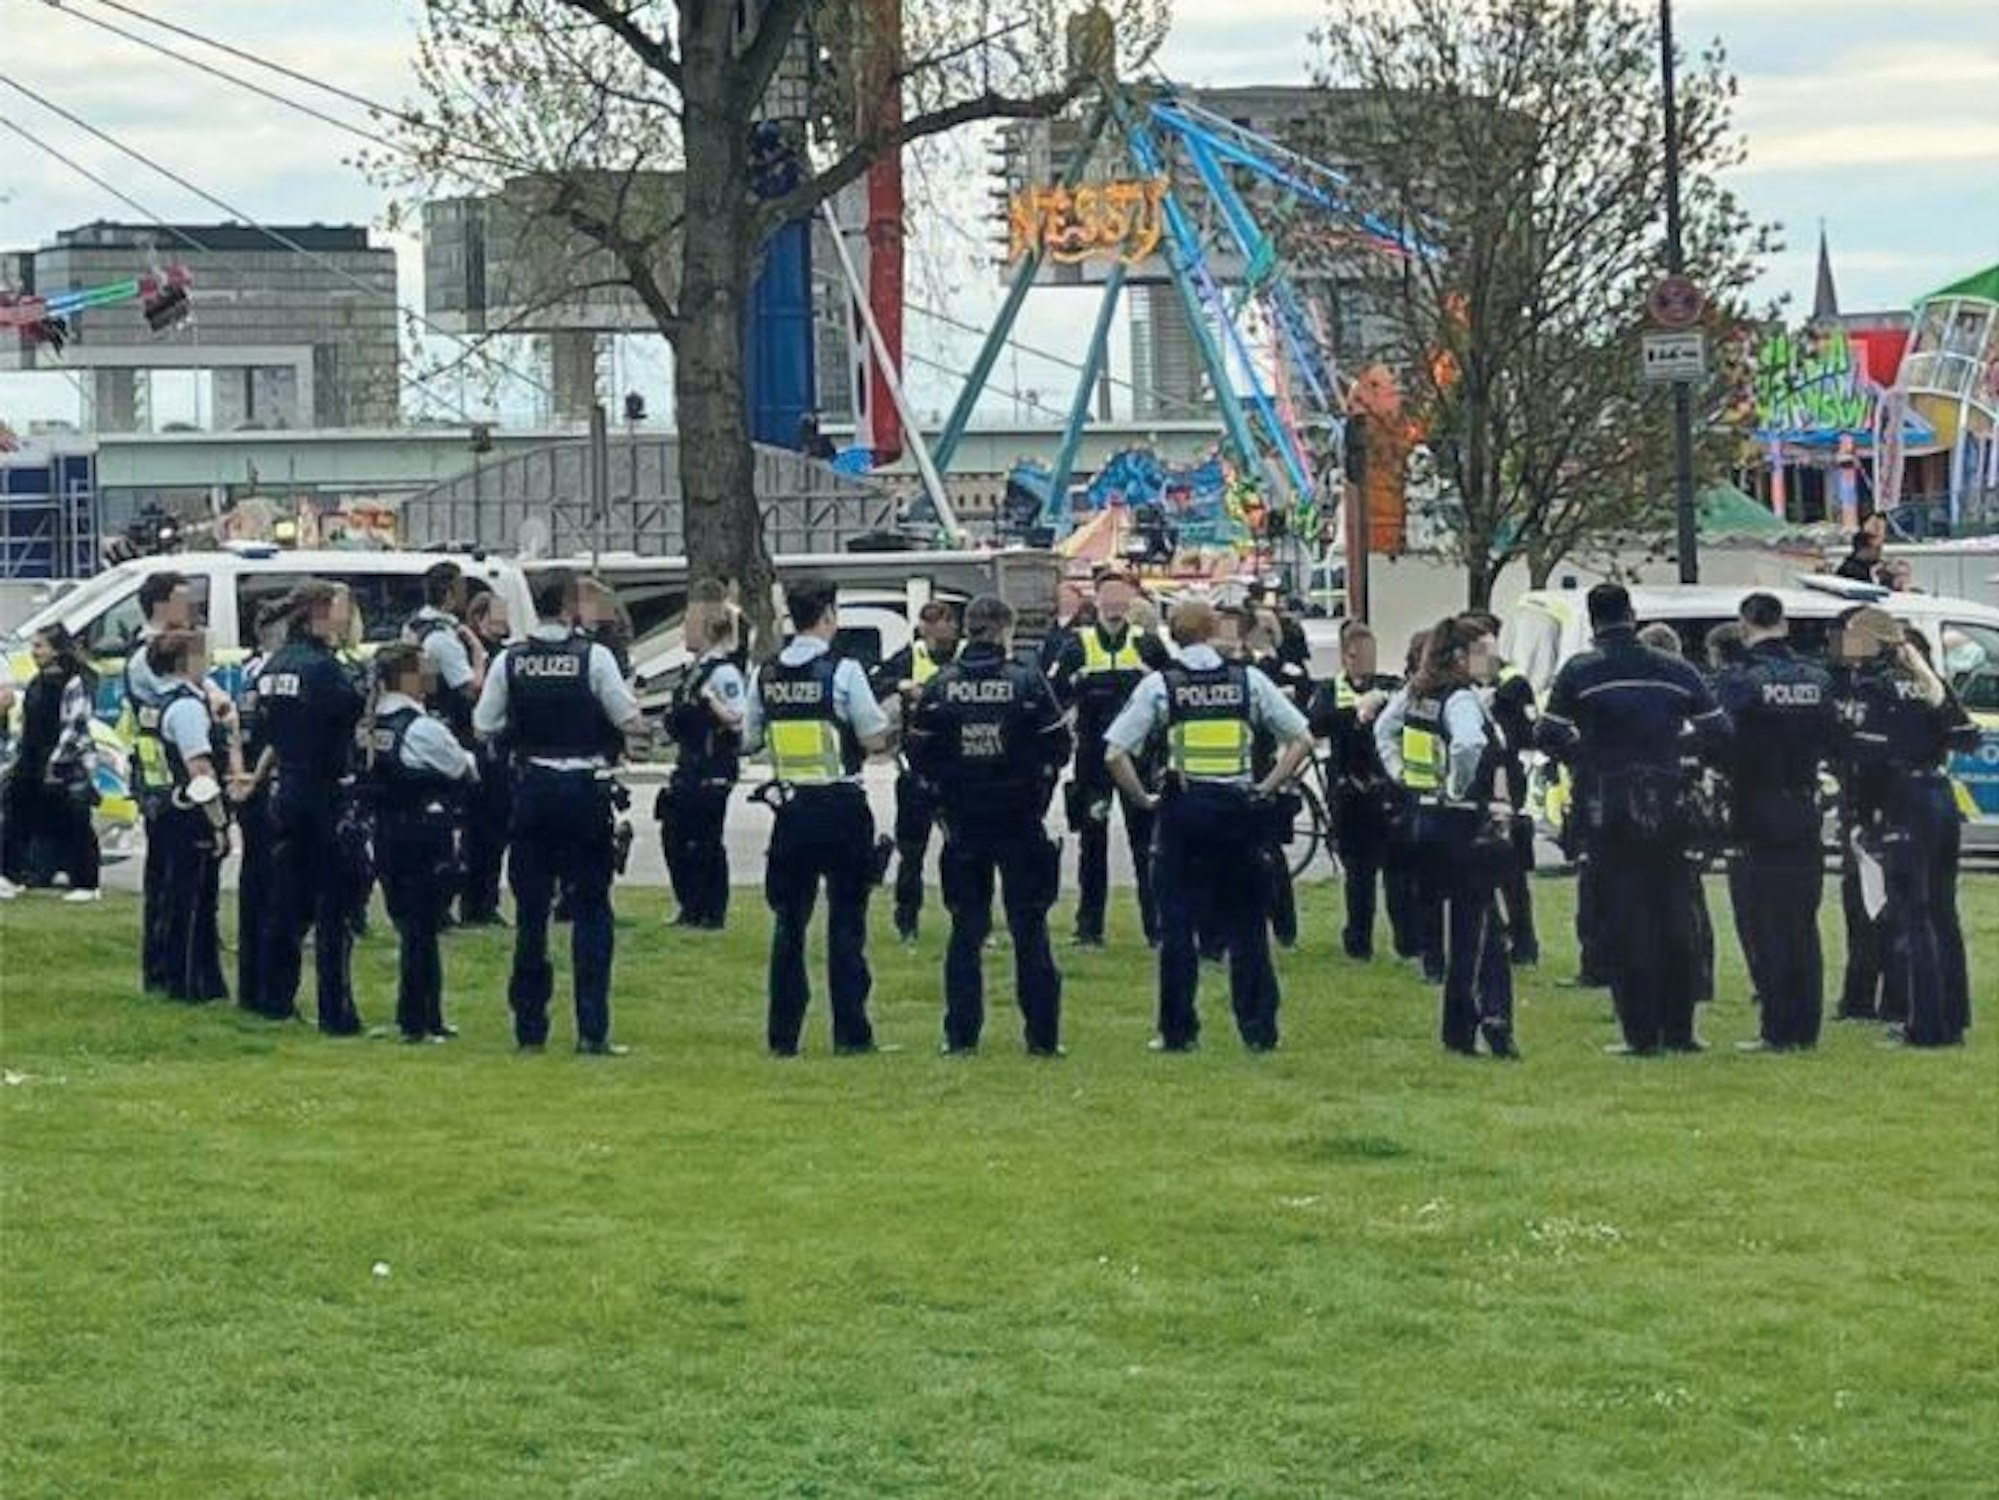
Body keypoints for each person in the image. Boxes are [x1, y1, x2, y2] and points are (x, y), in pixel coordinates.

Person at [1105, 598, 1313, 1053]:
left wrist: (1144, 799)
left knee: (1177, 926)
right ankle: (1258, 1029)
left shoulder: (1162, 685)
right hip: (1238, 811)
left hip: (1185, 811)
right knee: (1247, 924)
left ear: (1173, 635)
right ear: (1213, 631)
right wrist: (1266, 787)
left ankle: (1178, 1030)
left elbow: (1114, 750)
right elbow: (1302, 737)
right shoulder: (1248, 680)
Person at [1537, 584, 1730, 1056]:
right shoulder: (1674, 669)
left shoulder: (1582, 671)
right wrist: (1674, 755)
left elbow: (1549, 733)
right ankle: (1681, 1030)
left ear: (1594, 619)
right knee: (1675, 914)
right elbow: (1719, 729)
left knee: (1625, 917)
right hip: (1668, 800)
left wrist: (1590, 758)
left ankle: (1640, 1034)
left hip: (1610, 804)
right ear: (1633, 615)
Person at [475, 569, 648, 1055]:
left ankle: (529, 1027)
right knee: (592, 909)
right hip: (584, 789)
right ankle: (592, 1030)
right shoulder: (592, 657)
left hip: (532, 788)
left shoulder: (510, 660)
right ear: (570, 607)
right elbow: (627, 717)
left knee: (531, 914)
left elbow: (484, 724)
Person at [906, 595, 1073, 1055]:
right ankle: (1042, 1038)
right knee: (1030, 929)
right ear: (1004, 630)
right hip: (1020, 820)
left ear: (967, 630)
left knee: (965, 932)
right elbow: (1060, 746)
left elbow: (918, 753)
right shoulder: (1028, 683)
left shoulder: (941, 685)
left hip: (962, 824)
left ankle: (959, 1037)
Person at [743, 575, 893, 1056]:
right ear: (828, 615)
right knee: (846, 924)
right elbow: (873, 737)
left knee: (789, 926)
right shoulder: (844, 672)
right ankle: (851, 1033)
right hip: (842, 806)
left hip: (791, 810)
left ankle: (782, 1035)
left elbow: (749, 739)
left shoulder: (764, 674)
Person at [1833, 609, 1979, 1047]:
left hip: (1900, 802)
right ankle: (1952, 1016)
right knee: (1942, 913)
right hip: (1938, 796)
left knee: (1912, 916)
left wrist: (1862, 816)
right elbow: (1966, 735)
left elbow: (1862, 754)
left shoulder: (1872, 686)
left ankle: (1924, 1024)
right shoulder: (1929, 679)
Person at [1375, 618, 1521, 1058]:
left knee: (1463, 928)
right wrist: (1459, 787)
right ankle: (1484, 1021)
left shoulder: (1417, 693)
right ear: (1460, 656)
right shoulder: (1459, 699)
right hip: (1459, 823)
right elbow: (1468, 746)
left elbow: (1384, 730)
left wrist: (1402, 774)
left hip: (1423, 819)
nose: (1490, 659)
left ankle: (1468, 1024)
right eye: (1482, 651)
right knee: (1478, 931)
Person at [1714, 594, 1836, 1052]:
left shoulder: (1739, 682)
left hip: (1754, 808)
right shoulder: (1817, 680)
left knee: (1764, 921)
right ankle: (1806, 1027)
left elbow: (1718, 741)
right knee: (1803, 920)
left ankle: (1777, 1027)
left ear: (1745, 624)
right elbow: (1833, 740)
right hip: (1804, 806)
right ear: (1782, 624)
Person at [253, 581, 367, 1033]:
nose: (346, 618)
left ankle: (275, 998)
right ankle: (336, 1012)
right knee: (333, 907)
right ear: (320, 612)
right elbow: (351, 717)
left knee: (287, 903)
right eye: (342, 608)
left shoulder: (277, 663)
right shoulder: (325, 669)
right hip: (326, 792)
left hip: (288, 790)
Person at [1049, 570, 1170, 948]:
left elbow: (1171, 693)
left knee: (1146, 845)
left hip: (1140, 760)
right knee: (1093, 843)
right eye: (1109, 596)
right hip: (1093, 761)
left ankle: (1156, 928)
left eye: (1122, 596)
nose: (1115, 603)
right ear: (1097, 600)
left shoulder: (1148, 644)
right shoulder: (1076, 645)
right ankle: (1089, 929)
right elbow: (1053, 696)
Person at [367, 643, 478, 1043]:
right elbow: (463, 767)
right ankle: (420, 1018)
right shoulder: (423, 727)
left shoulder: (373, 725)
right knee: (423, 929)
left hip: (385, 832)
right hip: (423, 833)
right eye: (425, 670)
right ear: (409, 676)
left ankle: (420, 1015)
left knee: (407, 925)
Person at [1310, 621, 1410, 962]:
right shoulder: (1329, 690)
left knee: (1397, 872)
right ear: (1345, 656)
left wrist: (1379, 699)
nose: (1364, 662)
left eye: (1370, 655)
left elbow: (1407, 698)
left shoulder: (1388, 685)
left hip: (1386, 791)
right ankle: (1358, 943)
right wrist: (1354, 711)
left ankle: (1407, 942)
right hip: (1349, 791)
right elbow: (1317, 723)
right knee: (1358, 874)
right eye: (1357, 656)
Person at [123, 569, 196, 991]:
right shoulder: (148, 654)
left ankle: (177, 966)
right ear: (161, 604)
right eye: (183, 599)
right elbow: (177, 698)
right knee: (167, 877)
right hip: (164, 777)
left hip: (167, 772)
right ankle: (163, 968)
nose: (190, 609)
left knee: (176, 877)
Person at [147, 630, 229, 1003]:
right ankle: (191, 981)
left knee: (175, 896)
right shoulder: (188, 710)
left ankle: (173, 976)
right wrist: (218, 823)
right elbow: (201, 772)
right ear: (188, 661)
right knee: (195, 901)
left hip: (166, 808)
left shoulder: (162, 701)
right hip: (190, 812)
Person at [872, 600, 962, 942]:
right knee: (912, 851)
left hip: (956, 766)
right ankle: (906, 921)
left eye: (938, 625)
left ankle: (965, 915)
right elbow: (878, 680)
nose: (932, 633)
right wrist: (902, 686)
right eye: (927, 626)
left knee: (959, 849)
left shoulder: (964, 655)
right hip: (917, 766)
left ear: (951, 626)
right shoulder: (912, 655)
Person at [660, 595, 746, 930]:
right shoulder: (693, 671)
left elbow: (738, 719)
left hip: (712, 766)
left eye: (689, 624)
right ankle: (689, 905)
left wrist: (710, 704)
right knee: (678, 835)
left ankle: (710, 911)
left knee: (705, 840)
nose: (683, 630)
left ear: (709, 628)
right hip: (689, 763)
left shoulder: (722, 672)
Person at [1, 625, 101, 900]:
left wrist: (56, 763)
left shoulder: (74, 682)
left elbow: (75, 726)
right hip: (31, 761)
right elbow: (25, 726)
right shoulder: (37, 682)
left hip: (65, 763)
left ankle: (86, 884)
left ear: (56, 650)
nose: (34, 653)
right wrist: (14, 761)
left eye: (39, 646)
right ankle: (11, 875)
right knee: (17, 817)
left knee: (75, 822)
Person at [1463, 611, 1539, 966]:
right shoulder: (1463, 687)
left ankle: (1524, 940)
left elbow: (1525, 735)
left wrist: (1498, 706)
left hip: (1508, 782)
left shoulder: (1513, 684)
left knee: (1512, 869)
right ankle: (1492, 935)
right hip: (1477, 783)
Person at [229, 599, 286, 1015]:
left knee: (253, 887)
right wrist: (259, 775)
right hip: (269, 788)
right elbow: (280, 738)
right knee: (274, 891)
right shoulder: (276, 676)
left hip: (247, 785)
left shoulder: (247, 673)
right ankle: (267, 988)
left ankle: (249, 986)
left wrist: (240, 775)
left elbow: (236, 729)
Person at [458, 590, 514, 925]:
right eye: (498, 616)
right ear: (480, 620)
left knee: (495, 833)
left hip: (500, 753)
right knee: (480, 832)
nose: (505, 622)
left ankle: (486, 900)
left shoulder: (504, 655)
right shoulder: (475, 657)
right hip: (481, 753)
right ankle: (475, 903)